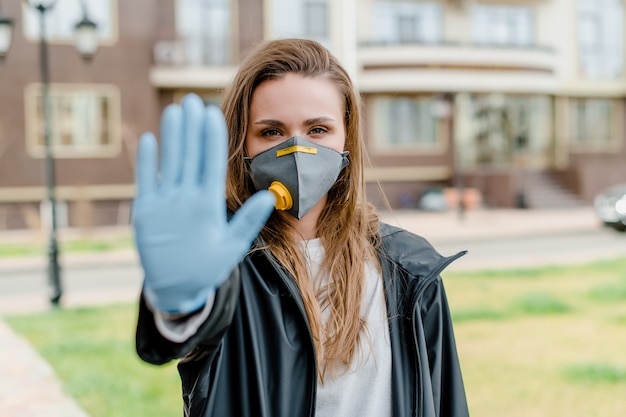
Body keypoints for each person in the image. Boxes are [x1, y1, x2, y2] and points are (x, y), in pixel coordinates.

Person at [133, 38, 469, 417]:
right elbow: (167, 344)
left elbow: (445, 400)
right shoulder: (222, 258)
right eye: (272, 132)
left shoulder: (409, 267)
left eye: (318, 130)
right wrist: (178, 305)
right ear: (241, 143)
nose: (297, 150)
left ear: (347, 139)